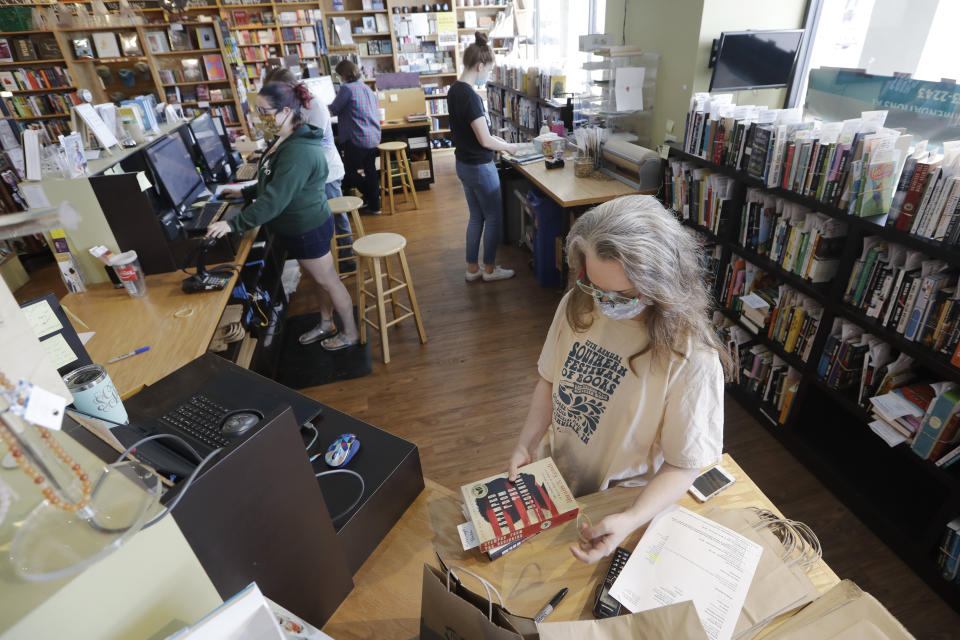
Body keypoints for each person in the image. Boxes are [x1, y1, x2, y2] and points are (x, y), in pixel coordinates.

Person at [505, 195, 732, 563]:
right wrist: (525, 444)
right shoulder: (578, 306)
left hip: (622, 503)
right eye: (594, 286)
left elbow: (683, 463)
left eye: (623, 295)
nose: (605, 303)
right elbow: (549, 381)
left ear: (663, 281)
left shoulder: (690, 357)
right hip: (555, 480)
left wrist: (630, 519)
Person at [207, 81, 359, 351]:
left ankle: (350, 333)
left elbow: (274, 201)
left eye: (264, 111)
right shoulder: (286, 138)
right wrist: (246, 193)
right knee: (319, 280)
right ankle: (326, 323)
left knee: (329, 281)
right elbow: (272, 180)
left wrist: (232, 224)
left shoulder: (298, 150)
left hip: (307, 228)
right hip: (300, 226)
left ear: (286, 110)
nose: (259, 117)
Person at [264, 68, 356, 304]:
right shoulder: (294, 106)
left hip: (326, 173)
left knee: (336, 218)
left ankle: (346, 259)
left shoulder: (311, 107)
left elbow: (305, 143)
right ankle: (328, 265)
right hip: (314, 174)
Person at [447, 31, 517, 283]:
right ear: (480, 66)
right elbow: (485, 140)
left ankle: (472, 268)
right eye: (489, 69)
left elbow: (476, 134)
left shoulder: (454, 90)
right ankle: (489, 269)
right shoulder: (471, 97)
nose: (488, 74)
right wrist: (510, 148)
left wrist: (502, 143)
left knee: (476, 217)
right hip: (479, 167)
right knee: (494, 218)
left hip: (463, 164)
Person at [329, 60, 381, 215]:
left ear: (342, 75)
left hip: (357, 138)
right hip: (372, 137)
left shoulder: (346, 89)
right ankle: (375, 205)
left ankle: (370, 197)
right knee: (370, 170)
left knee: (348, 171)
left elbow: (333, 110)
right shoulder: (366, 88)